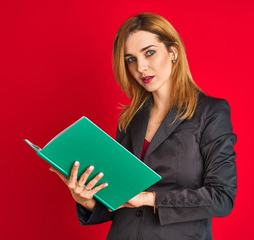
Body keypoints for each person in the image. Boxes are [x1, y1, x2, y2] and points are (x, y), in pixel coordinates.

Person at [50, 12, 237, 240]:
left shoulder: (210, 112)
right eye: (131, 59)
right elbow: (117, 200)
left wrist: (150, 198)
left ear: (173, 52)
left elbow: (222, 198)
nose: (141, 67)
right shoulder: (130, 119)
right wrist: (85, 199)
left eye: (149, 53)